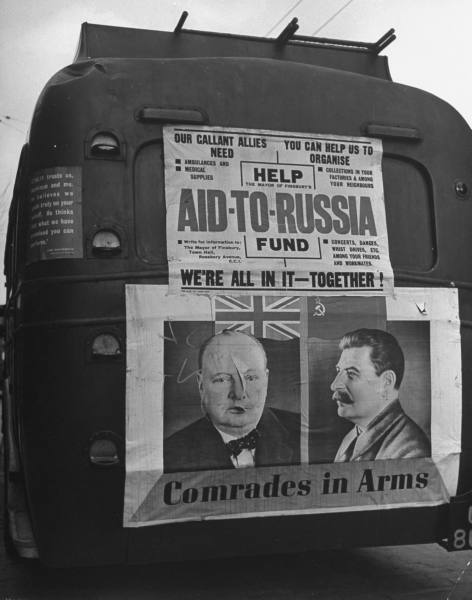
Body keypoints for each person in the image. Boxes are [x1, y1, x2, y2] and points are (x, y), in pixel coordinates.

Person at [164, 329, 300, 472]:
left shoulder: (306, 434)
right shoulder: (169, 454)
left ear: (266, 380)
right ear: (201, 384)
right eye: (222, 379)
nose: (239, 394)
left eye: (251, 378)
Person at [330, 328, 430, 462]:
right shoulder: (350, 439)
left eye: (351, 373)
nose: (334, 385)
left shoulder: (410, 451)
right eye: (339, 371)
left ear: (386, 382)